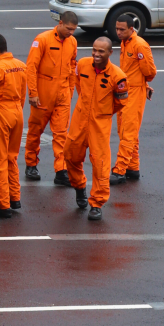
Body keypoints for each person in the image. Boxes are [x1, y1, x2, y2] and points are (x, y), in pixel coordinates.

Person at [66, 37, 128, 221]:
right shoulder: (83, 65)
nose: (96, 54)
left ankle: (96, 203)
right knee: (70, 155)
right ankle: (79, 187)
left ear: (110, 53)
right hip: (79, 120)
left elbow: (121, 102)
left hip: (99, 124)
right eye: (94, 50)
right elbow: (79, 85)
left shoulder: (118, 76)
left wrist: (103, 113)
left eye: (101, 51)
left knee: (100, 164)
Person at [24, 11, 78, 186]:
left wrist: (70, 90)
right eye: (69, 28)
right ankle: (31, 163)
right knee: (35, 131)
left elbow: (72, 66)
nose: (71, 32)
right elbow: (31, 67)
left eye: (74, 30)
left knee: (62, 133)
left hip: (62, 94)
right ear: (60, 23)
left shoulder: (72, 42)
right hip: (43, 93)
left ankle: (61, 170)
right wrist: (32, 93)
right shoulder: (43, 39)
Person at [0, 33, 27, 219]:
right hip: (18, 112)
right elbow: (24, 91)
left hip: (2, 112)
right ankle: (14, 197)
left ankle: (3, 204)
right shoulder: (21, 65)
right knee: (11, 157)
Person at [111, 15, 156, 185]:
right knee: (126, 130)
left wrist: (141, 85)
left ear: (132, 29)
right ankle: (132, 167)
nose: (118, 32)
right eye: (117, 29)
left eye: (122, 29)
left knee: (127, 132)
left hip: (134, 91)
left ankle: (120, 170)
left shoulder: (139, 45)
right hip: (128, 90)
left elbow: (150, 72)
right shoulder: (126, 42)